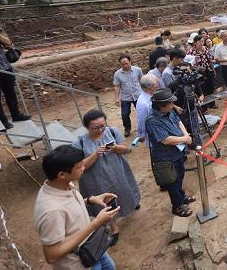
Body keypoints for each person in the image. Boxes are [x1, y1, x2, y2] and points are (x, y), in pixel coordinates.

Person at [34, 144, 119, 269]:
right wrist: (96, 223)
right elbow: (51, 255)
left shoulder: (62, 184)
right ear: (62, 174)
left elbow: (68, 210)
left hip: (92, 247)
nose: (84, 167)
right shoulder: (51, 211)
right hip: (79, 262)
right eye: (79, 167)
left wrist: (90, 200)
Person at [73, 109, 140, 246]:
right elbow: (81, 167)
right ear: (87, 127)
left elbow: (127, 149)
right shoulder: (79, 143)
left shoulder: (113, 131)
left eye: (102, 126)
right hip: (95, 179)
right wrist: (95, 154)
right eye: (96, 128)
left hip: (117, 171)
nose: (100, 129)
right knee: (105, 203)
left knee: (123, 190)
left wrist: (115, 148)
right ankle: (114, 228)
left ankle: (130, 204)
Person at [145, 88, 196, 217]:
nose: (173, 105)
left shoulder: (169, 112)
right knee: (172, 181)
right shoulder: (152, 120)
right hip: (166, 156)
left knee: (180, 176)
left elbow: (179, 122)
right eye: (170, 103)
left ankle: (182, 197)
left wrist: (186, 135)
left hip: (178, 152)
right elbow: (165, 140)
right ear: (161, 106)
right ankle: (177, 206)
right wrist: (185, 139)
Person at [0, 20, 30, 129]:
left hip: (5, 67)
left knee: (10, 93)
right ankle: (2, 121)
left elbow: (8, 43)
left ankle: (16, 115)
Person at [113, 54, 143, 137]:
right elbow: (117, 86)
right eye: (123, 64)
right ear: (120, 64)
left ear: (130, 61)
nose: (125, 65)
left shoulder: (138, 70)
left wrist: (146, 93)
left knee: (142, 112)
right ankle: (127, 128)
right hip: (125, 97)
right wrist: (116, 98)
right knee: (124, 114)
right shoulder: (117, 74)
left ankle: (143, 128)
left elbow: (142, 80)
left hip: (138, 95)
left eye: (127, 63)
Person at [137, 74, 160, 143]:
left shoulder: (151, 96)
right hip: (154, 134)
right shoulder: (144, 104)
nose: (159, 85)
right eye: (157, 83)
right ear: (152, 87)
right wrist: (141, 134)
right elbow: (142, 120)